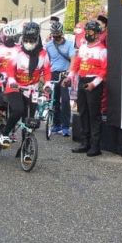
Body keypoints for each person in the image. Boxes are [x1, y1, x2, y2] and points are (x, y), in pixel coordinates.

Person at [0, 22, 51, 148]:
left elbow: (47, 70)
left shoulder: (43, 54)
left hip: (32, 89)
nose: (28, 43)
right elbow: (10, 68)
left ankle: (25, 147)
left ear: (37, 39)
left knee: (30, 120)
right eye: (26, 40)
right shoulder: (18, 52)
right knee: (18, 110)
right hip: (15, 87)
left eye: (31, 40)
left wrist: (47, 84)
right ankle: (4, 134)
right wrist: (12, 80)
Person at [69, 20, 107, 156]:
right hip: (82, 81)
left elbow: (104, 71)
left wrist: (94, 84)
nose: (87, 34)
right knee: (83, 112)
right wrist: (70, 77)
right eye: (86, 31)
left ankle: (95, 146)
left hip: (94, 83)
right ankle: (85, 143)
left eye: (90, 31)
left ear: (97, 34)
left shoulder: (102, 50)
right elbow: (76, 64)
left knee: (94, 115)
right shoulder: (83, 47)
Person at [44, 21, 75, 137]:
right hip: (53, 73)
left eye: (58, 34)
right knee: (54, 100)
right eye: (54, 34)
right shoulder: (48, 45)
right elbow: (46, 61)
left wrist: (69, 72)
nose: (56, 36)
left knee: (65, 100)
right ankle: (56, 124)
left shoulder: (70, 44)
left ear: (62, 33)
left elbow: (73, 59)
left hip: (64, 74)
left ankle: (65, 126)